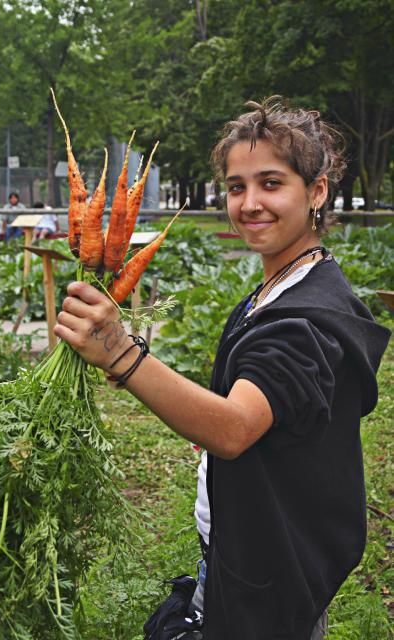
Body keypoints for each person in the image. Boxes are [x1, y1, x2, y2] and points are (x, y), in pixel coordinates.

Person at [53, 97, 391, 639]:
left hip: (270, 576)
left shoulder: (306, 322)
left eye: (271, 183)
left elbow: (233, 428)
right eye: (237, 187)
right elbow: (251, 410)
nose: (250, 203)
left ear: (318, 192)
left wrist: (122, 351)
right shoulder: (284, 288)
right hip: (251, 550)